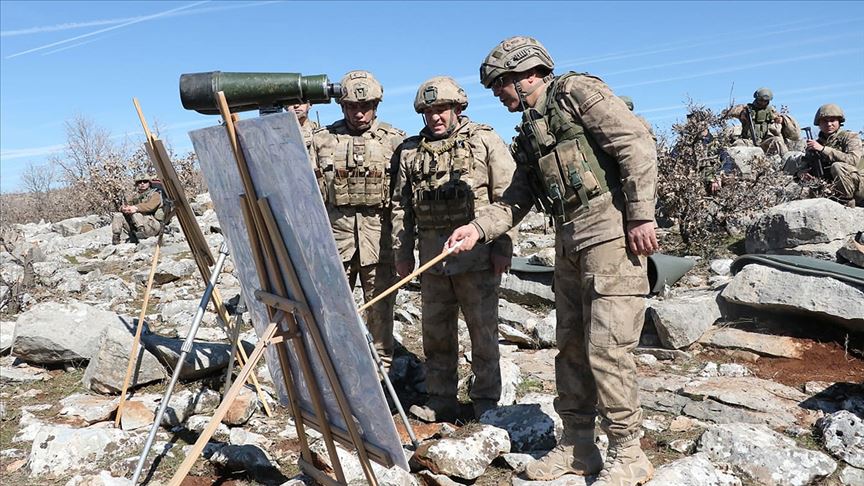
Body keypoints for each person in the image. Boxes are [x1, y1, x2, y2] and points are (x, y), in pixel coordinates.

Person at [445, 36, 658, 485]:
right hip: (568, 242)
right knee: (572, 349)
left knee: (608, 349)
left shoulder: (576, 91)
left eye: (500, 83)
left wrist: (641, 215)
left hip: (610, 236)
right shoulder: (529, 132)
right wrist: (477, 229)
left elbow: (635, 143)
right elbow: (516, 198)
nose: (497, 93)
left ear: (526, 74)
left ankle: (628, 451)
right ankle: (578, 446)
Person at [391, 76, 515, 421]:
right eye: (429, 111)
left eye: (442, 109)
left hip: (479, 258)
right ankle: (441, 397)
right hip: (432, 261)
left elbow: (506, 197)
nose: (436, 117)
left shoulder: (484, 140)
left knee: (483, 333)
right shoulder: (410, 151)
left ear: (457, 108)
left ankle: (486, 400)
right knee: (436, 333)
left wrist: (503, 247)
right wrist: (403, 253)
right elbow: (401, 207)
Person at [309, 70, 406, 371]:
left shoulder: (396, 141)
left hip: (380, 243)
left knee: (380, 309)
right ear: (342, 106)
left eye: (365, 106)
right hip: (335, 243)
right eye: (352, 106)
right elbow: (308, 195)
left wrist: (404, 247)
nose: (359, 113)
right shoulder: (321, 141)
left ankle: (381, 372)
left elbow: (403, 200)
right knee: (333, 307)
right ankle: (336, 368)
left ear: (376, 105)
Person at [798, 103, 863, 206]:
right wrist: (803, 174)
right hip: (829, 188)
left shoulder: (850, 137)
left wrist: (823, 149)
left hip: (858, 186)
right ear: (819, 124)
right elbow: (803, 167)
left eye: (832, 120)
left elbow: (853, 160)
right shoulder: (815, 144)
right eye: (824, 121)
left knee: (837, 166)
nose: (829, 124)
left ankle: (846, 201)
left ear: (839, 122)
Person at [724, 88, 799, 156]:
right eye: (761, 100)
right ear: (757, 99)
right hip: (748, 142)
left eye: (765, 101)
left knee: (777, 140)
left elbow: (785, 123)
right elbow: (727, 113)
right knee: (737, 145)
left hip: (764, 142)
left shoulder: (771, 111)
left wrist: (781, 120)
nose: (763, 103)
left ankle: (786, 161)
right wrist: (741, 113)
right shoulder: (746, 108)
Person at [111, 172, 164, 245]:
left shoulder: (155, 194)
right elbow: (127, 205)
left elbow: (150, 206)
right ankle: (116, 238)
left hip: (152, 225)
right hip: (136, 226)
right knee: (118, 215)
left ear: (149, 183)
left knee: (135, 213)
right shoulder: (135, 196)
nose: (142, 183)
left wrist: (135, 208)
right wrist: (124, 208)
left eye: (145, 181)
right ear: (137, 184)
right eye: (140, 182)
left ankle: (141, 236)